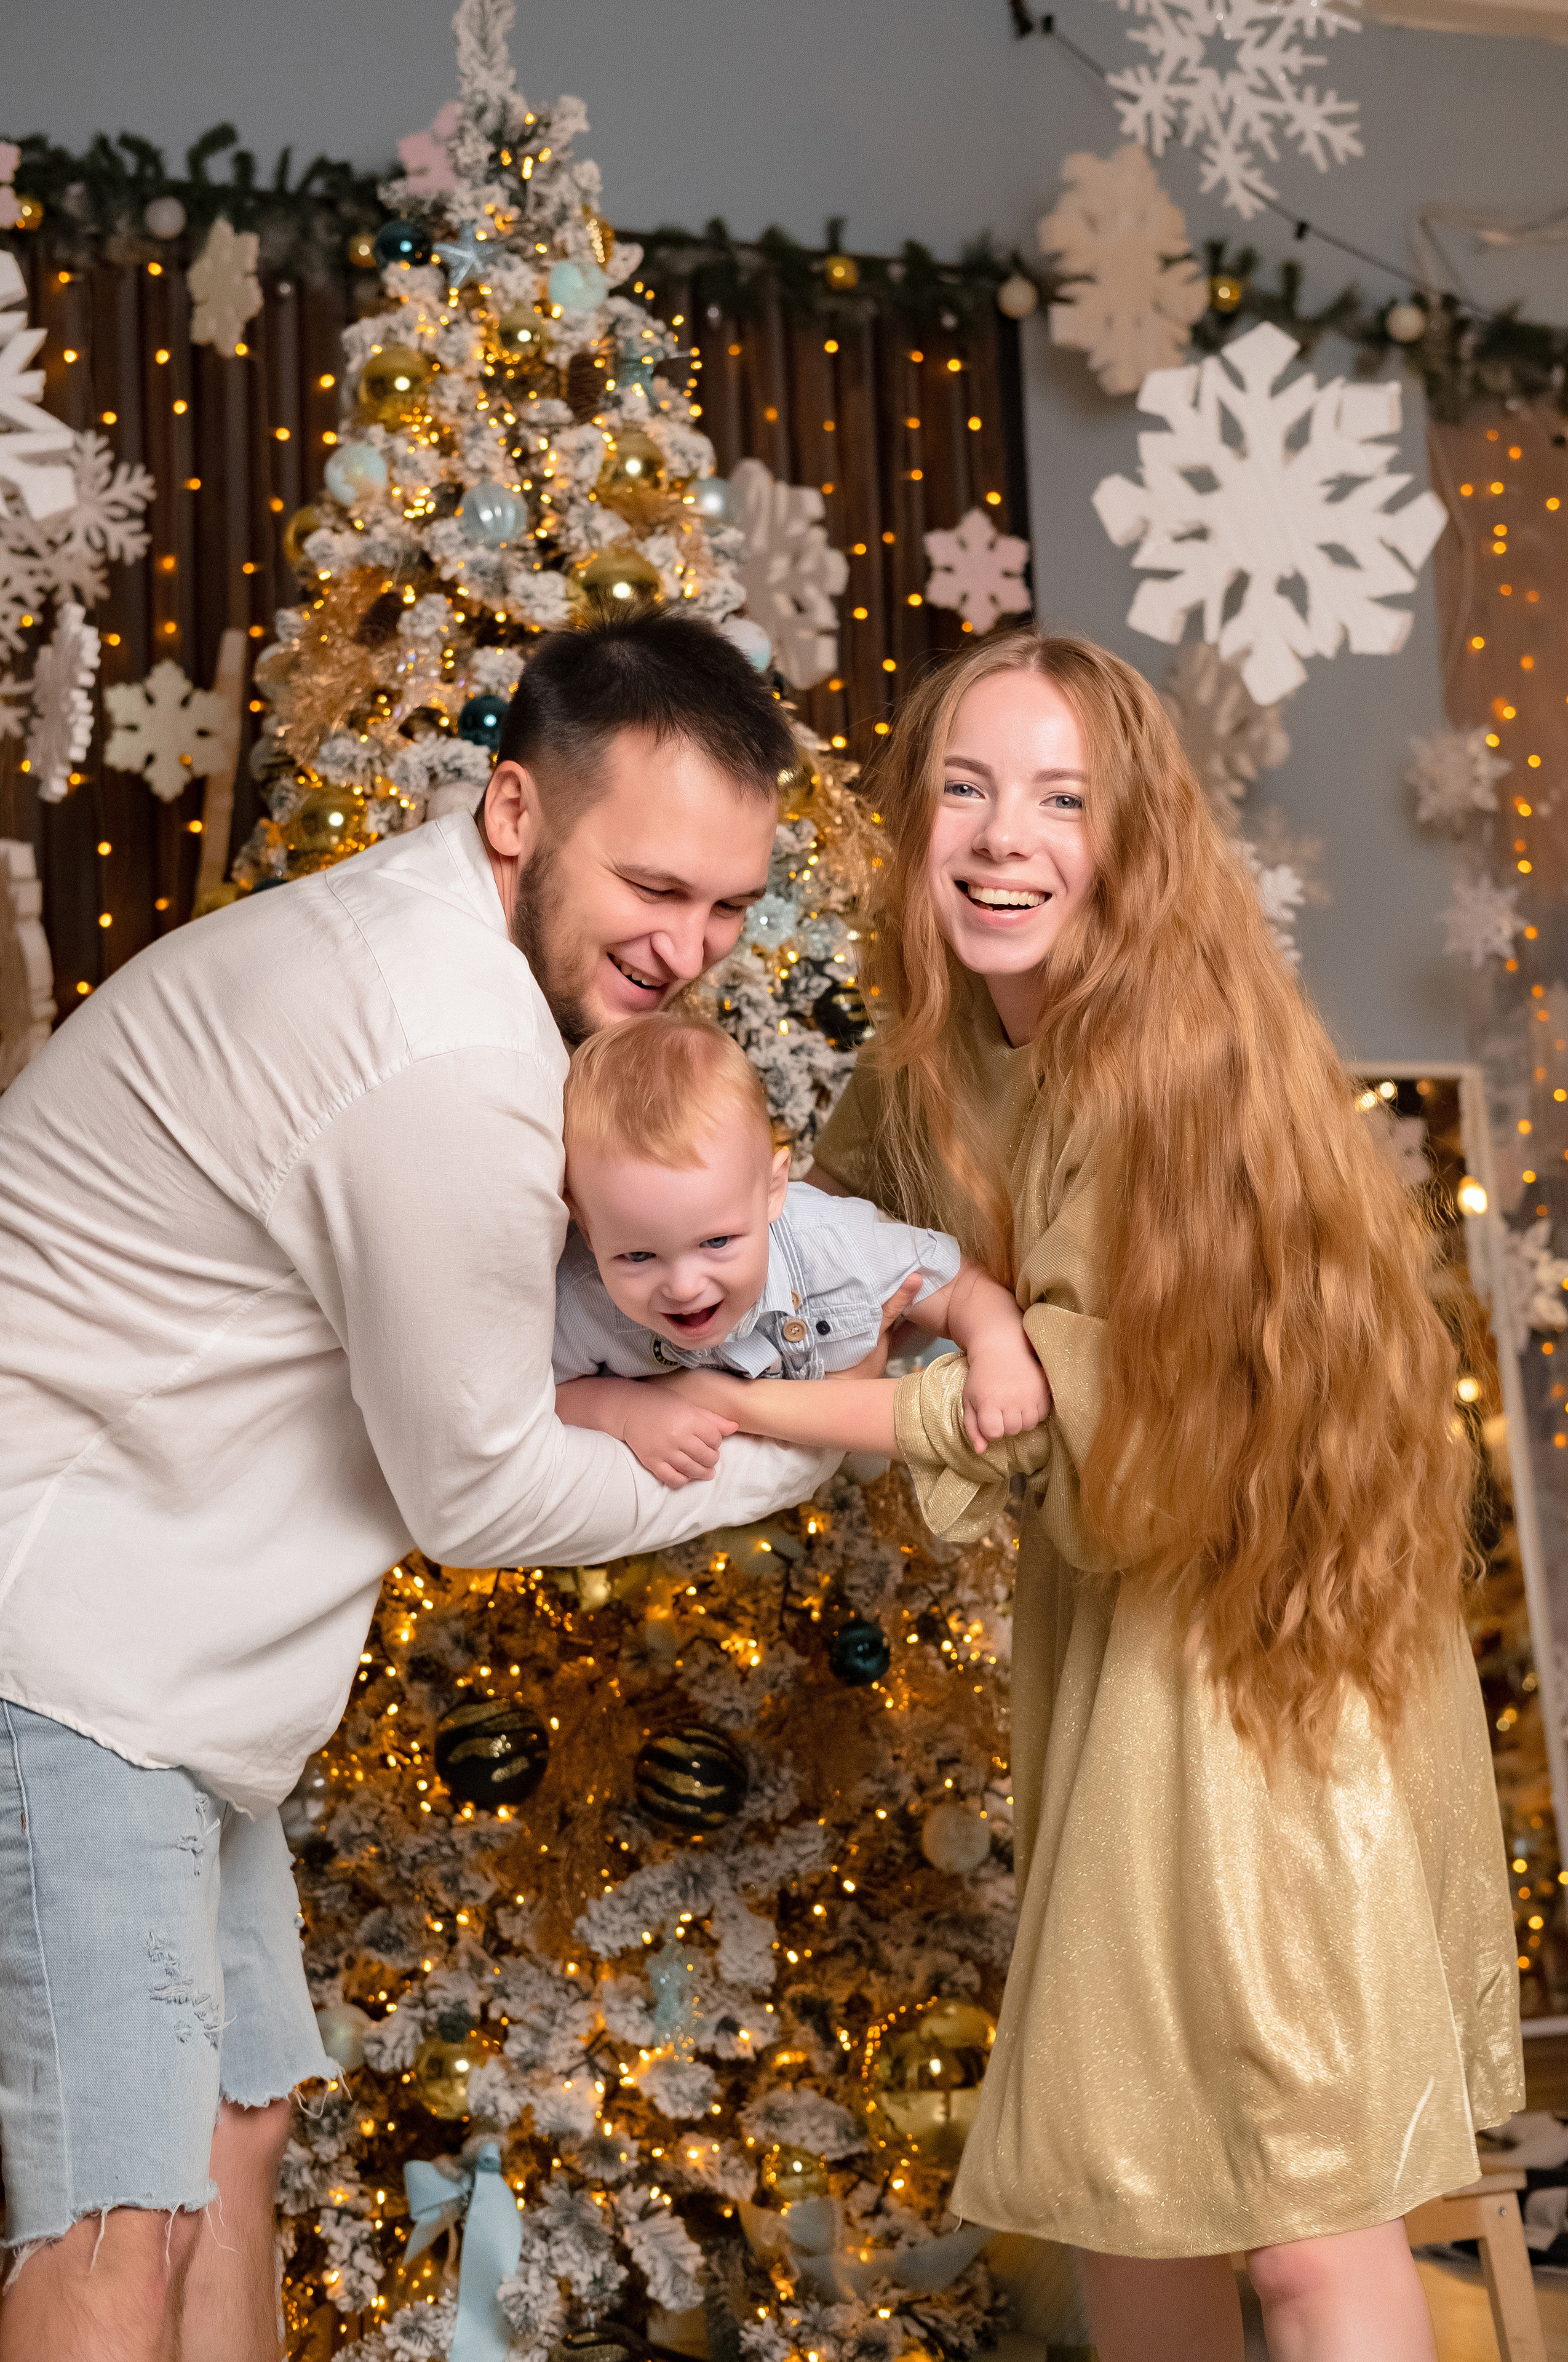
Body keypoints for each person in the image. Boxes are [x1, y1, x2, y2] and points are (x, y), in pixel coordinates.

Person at [0, 615, 873, 2362]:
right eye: (652, 885)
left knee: (234, 2139)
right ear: (514, 809)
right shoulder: (454, 1054)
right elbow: (481, 1492)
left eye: (728, 906)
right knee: (121, 2215)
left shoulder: (428, 950)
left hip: (169, 1666)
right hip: (66, 1660)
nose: (687, 948)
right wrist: (806, 1435)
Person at [665, 632, 1523, 2362]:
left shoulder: (1172, 1057)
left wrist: (734, 1399)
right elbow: (815, 1265)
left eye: (1062, 799)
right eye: (965, 789)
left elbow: (1050, 1411)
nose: (1005, 836)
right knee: (1132, 2199)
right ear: (911, 821)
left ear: (1131, 841)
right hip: (1115, 1656)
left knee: (1304, 2225)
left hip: (1272, 1659)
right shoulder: (921, 1075)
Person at [551, 1012, 1049, 1487]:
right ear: (587, 1228)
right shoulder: (579, 1301)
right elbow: (539, 1396)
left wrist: (999, 1350)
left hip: (850, 1411)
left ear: (773, 1192)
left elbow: (961, 1287)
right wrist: (624, 1411)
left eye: (717, 1242)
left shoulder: (834, 1242)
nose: (684, 1287)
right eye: (638, 1257)